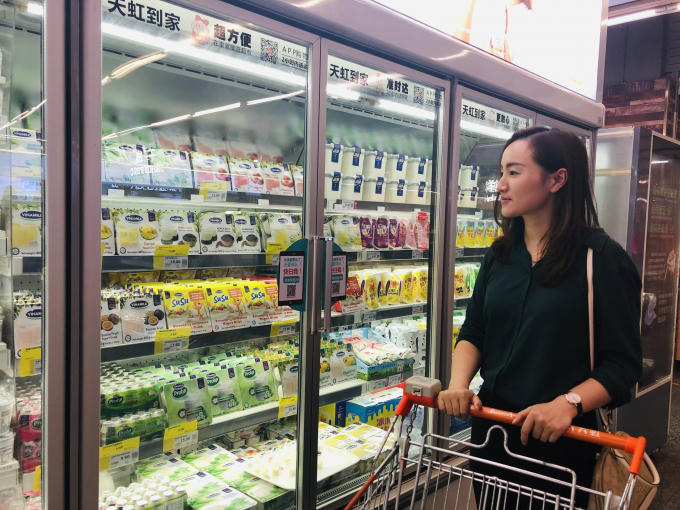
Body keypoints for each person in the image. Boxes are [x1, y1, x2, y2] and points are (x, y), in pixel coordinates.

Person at [438, 127, 642, 508]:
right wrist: (458, 383)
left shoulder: (600, 259)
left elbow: (623, 364)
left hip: (560, 446)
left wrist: (568, 403)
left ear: (556, 179)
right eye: (501, 172)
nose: (500, 185)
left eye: (514, 172)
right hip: (492, 436)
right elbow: (475, 330)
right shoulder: (499, 256)